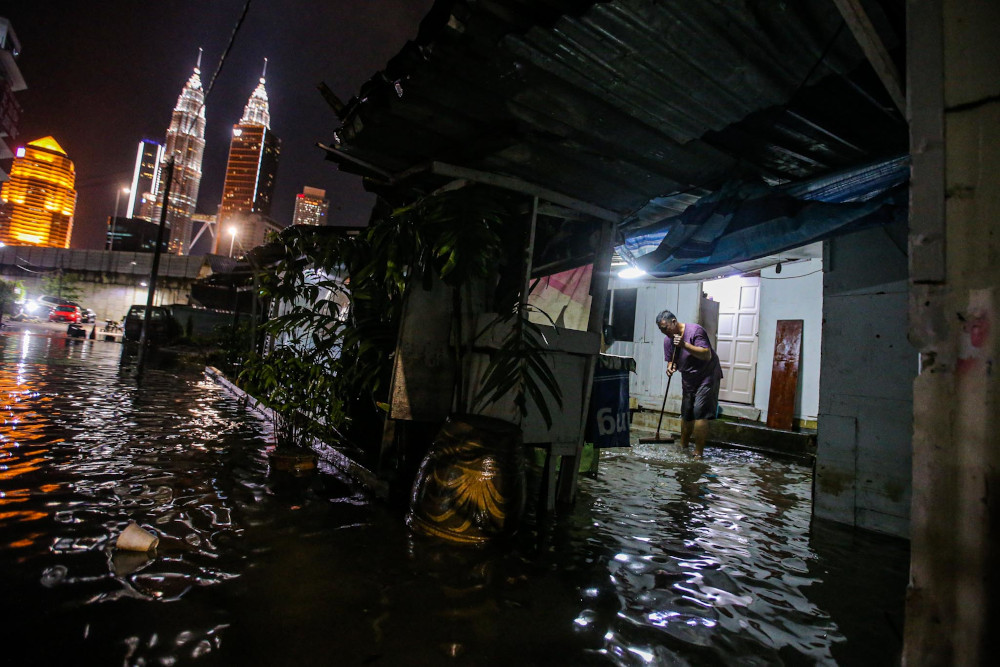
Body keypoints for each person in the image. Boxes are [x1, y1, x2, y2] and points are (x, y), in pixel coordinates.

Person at [655, 309, 723, 457]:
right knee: (686, 413)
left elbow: (706, 354)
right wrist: (670, 368)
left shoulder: (695, 331)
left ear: (674, 322)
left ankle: (698, 453)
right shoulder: (668, 340)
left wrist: (684, 345)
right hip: (688, 377)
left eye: (665, 328)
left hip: (707, 375)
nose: (664, 332)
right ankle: (683, 446)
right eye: (661, 330)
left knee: (700, 412)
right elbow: (671, 361)